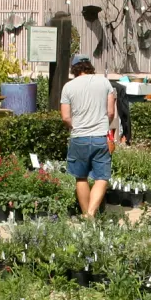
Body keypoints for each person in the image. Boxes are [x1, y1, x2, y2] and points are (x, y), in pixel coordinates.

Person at [59, 55, 116, 217]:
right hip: (100, 137)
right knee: (102, 177)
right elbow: (111, 112)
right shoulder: (104, 82)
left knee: (81, 177)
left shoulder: (68, 87)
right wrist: (103, 124)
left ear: (74, 69)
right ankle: (91, 213)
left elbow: (65, 117)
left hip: (79, 137)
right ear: (89, 66)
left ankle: (86, 215)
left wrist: (74, 126)